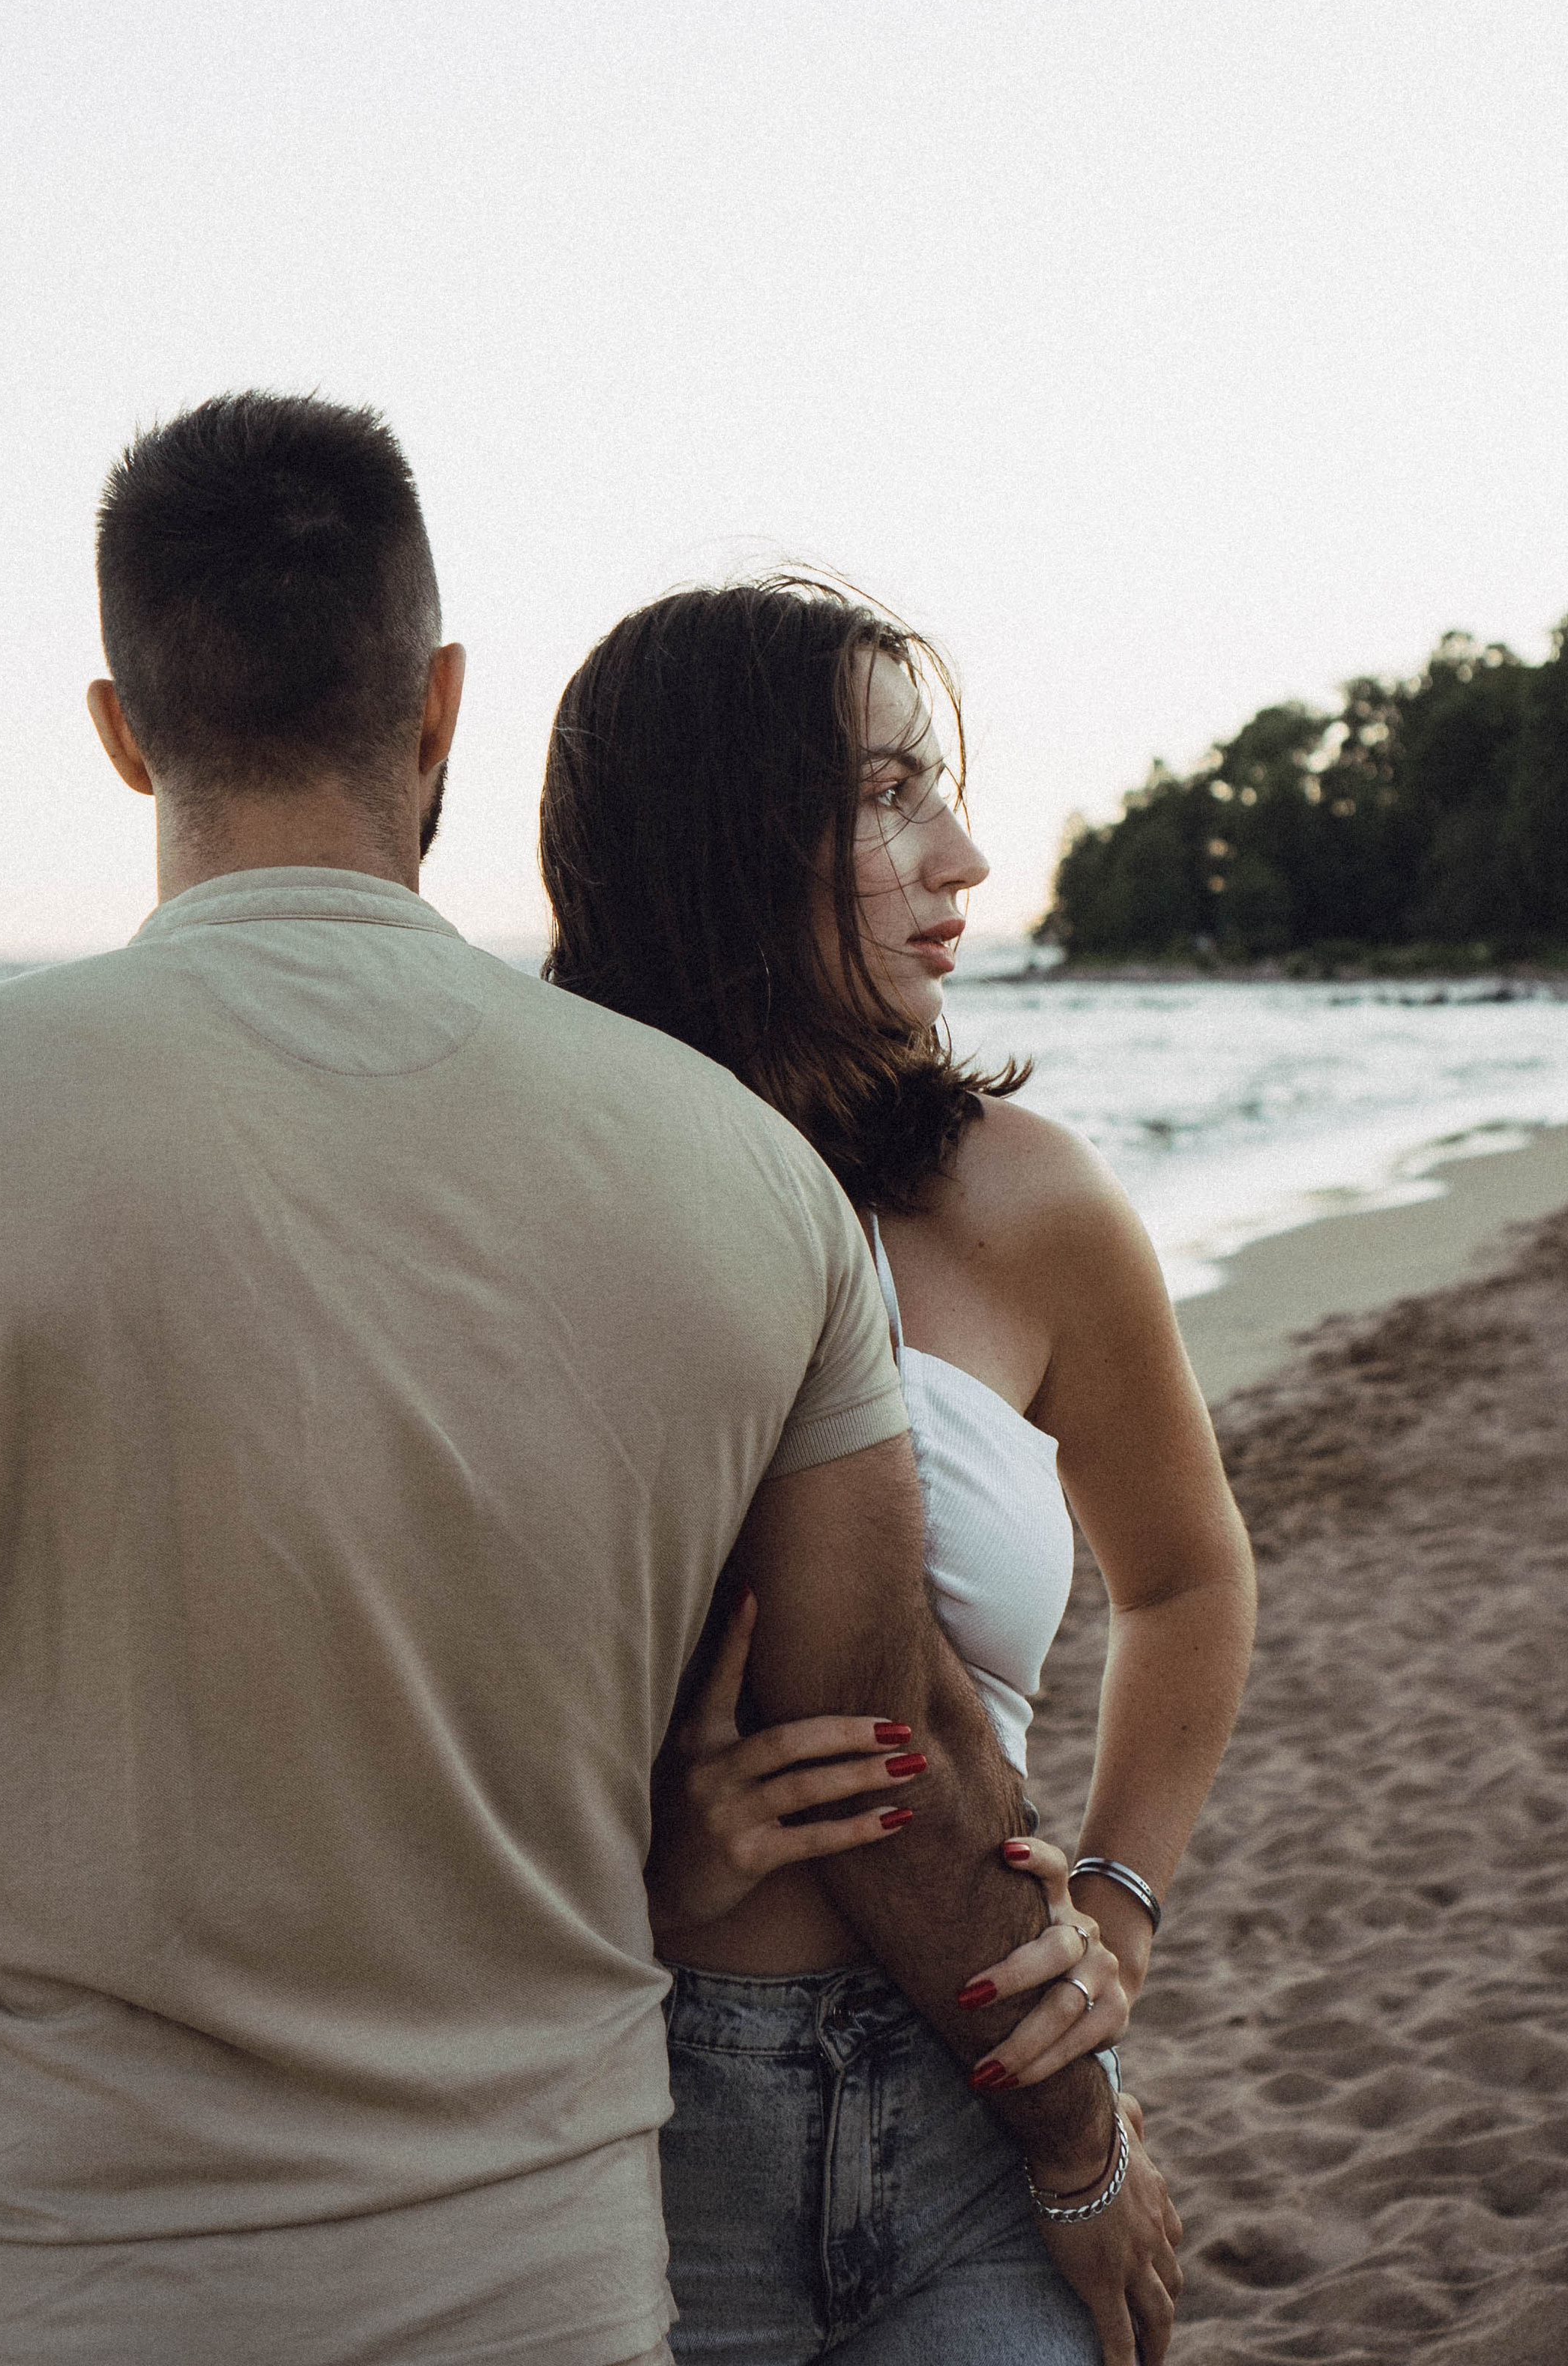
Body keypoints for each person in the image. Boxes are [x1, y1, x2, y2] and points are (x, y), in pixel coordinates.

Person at [0, 405, 1165, 2366]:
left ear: (125, 729)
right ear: (443, 706)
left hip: (21, 2299)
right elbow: (885, 1735)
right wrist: (1081, 2138)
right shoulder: (734, 1183)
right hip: (532, 2302)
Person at [540, 577, 1255, 2362]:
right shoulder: (546, 1225)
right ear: (717, 837)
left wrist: (1119, 1906)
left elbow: (1186, 1582)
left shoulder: (1025, 1204)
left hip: (978, 2096)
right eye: (879, 797)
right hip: (645, 2121)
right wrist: (650, 1876)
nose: (960, 859)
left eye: (931, 786)